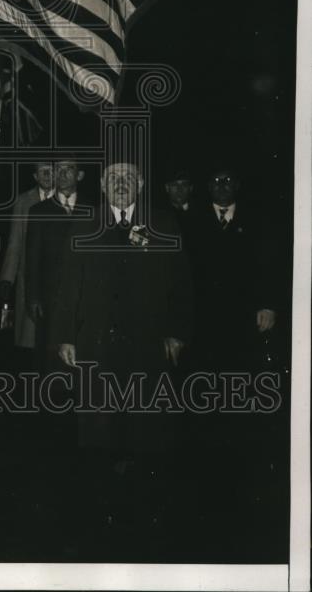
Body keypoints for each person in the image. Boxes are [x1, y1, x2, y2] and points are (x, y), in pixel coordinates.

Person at [50, 160, 193, 530]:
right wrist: (65, 335)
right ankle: (100, 514)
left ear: (141, 184)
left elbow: (182, 285)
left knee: (145, 427)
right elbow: (68, 285)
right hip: (95, 342)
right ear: (101, 183)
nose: (121, 183)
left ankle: (144, 514)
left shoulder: (163, 223)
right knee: (99, 426)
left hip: (147, 342)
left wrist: (177, 332)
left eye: (128, 177)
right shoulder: (84, 223)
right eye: (113, 177)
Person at [190, 163, 277, 372]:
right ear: (209, 187)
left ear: (237, 185)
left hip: (244, 315)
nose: (222, 186)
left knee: (241, 375)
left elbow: (269, 265)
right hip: (202, 316)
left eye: (227, 180)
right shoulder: (191, 220)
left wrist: (268, 305)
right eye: (216, 181)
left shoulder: (258, 220)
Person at [25, 158, 89, 369]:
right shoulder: (39, 211)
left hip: (85, 298)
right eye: (58, 169)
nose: (62, 174)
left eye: (69, 169)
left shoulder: (95, 210)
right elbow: (32, 257)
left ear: (79, 175)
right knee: (51, 361)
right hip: (50, 296)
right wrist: (32, 297)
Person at [0, 161, 56, 360]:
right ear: (35, 177)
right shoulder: (24, 201)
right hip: (29, 274)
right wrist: (7, 278)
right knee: (30, 338)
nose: (47, 175)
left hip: (57, 275)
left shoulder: (64, 198)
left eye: (50, 171)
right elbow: (15, 242)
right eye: (42, 172)